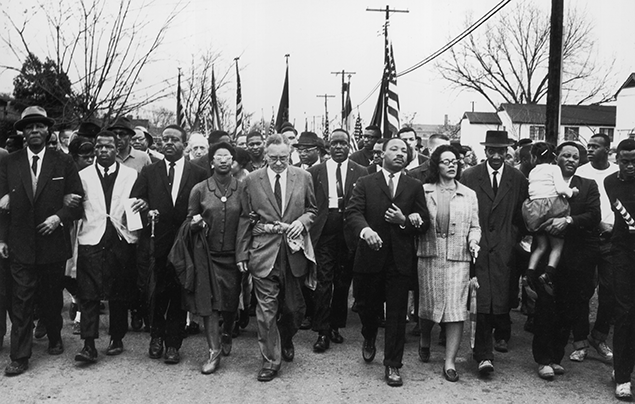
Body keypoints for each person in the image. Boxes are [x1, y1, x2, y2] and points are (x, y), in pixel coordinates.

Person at [0, 106, 83, 375]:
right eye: (29, 127)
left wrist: (58, 217)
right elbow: (2, 205)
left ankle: (55, 336)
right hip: (20, 242)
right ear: (23, 132)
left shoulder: (63, 161)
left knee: (50, 298)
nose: (35, 131)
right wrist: (2, 239)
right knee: (21, 300)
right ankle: (20, 356)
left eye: (40, 127)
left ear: (48, 131)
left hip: (52, 243)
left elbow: (77, 202)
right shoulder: (10, 162)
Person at [346, 137, 429, 387]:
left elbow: (423, 222)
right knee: (368, 308)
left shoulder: (414, 186)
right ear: (382, 154)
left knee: (396, 315)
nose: (400, 154)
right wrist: (366, 231)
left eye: (404, 150)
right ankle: (369, 335)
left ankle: (393, 364)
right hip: (370, 258)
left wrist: (405, 219)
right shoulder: (365, 182)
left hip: (399, 261)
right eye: (394, 149)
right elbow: (353, 212)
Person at [236, 133, 317, 382]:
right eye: (273, 158)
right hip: (264, 252)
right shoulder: (251, 180)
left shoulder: (303, 177)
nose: (279, 162)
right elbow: (245, 217)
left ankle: (285, 338)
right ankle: (271, 360)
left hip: (293, 252)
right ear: (265, 156)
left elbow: (312, 210)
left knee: (294, 309)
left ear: (290, 153)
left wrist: (301, 223)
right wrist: (242, 252)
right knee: (266, 310)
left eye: (283, 157)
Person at [130, 124, 207, 365]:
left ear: (184, 145)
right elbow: (136, 200)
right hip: (157, 242)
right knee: (156, 291)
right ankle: (156, 337)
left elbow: (206, 206)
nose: (169, 143)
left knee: (179, 292)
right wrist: (144, 207)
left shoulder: (198, 173)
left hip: (185, 242)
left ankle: (173, 343)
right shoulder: (150, 172)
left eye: (174, 140)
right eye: (165, 140)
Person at [528, 141, 600, 380]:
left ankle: (556, 357)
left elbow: (593, 216)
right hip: (546, 259)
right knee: (545, 309)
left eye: (575, 157)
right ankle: (543, 360)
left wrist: (568, 221)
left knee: (567, 311)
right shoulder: (542, 181)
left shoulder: (587, 186)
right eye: (566, 155)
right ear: (555, 158)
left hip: (575, 259)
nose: (570, 160)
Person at [460, 130, 528, 375]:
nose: (497, 155)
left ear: (508, 151)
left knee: (501, 299)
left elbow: (523, 215)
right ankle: (483, 355)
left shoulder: (517, 178)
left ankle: (498, 340)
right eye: (492, 150)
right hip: (477, 245)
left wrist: (511, 239)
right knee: (480, 300)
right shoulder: (469, 176)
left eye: (501, 150)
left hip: (504, 248)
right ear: (485, 151)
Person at [412, 144, 480, 382]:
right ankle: (424, 337)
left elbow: (475, 226)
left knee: (455, 310)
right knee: (428, 305)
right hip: (430, 255)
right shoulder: (423, 191)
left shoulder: (469, 194)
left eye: (455, 161)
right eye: (446, 161)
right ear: (436, 165)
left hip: (458, 258)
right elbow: (416, 221)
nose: (452, 165)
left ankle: (449, 361)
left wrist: (473, 241)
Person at [74, 130, 140, 363]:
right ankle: (89, 344)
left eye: (109, 147)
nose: (103, 151)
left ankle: (116, 337)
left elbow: (137, 202)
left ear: (117, 149)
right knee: (88, 292)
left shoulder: (131, 175)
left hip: (120, 237)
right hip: (91, 237)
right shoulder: (83, 176)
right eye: (99, 147)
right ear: (95, 149)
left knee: (119, 291)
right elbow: (76, 206)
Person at [183, 142, 242, 374]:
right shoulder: (200, 189)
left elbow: (248, 219)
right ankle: (213, 351)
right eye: (219, 157)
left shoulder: (242, 187)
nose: (224, 160)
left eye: (228, 157)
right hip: (207, 255)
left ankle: (227, 331)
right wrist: (196, 224)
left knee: (230, 301)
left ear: (233, 162)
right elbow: (189, 220)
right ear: (211, 162)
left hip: (234, 255)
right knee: (210, 304)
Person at [307, 129, 368, 353]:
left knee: (343, 282)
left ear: (349, 146)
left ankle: (335, 325)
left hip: (349, 231)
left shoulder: (361, 171)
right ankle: (321, 330)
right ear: (328, 147)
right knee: (324, 280)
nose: (339, 147)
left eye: (343, 143)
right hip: (325, 230)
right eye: (334, 143)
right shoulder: (316, 172)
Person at [574, 133, 618, 362]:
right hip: (587, 237)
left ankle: (599, 336)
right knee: (583, 290)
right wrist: (597, 223)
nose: (589, 149)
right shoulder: (581, 172)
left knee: (610, 291)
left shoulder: (619, 172)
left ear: (607, 150)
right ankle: (580, 340)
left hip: (614, 239)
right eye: (588, 146)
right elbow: (577, 206)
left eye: (595, 146)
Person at [522, 142, 578, 296]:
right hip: (552, 208)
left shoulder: (533, 172)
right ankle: (548, 274)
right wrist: (572, 192)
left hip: (534, 211)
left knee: (541, 247)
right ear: (553, 156)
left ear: (534, 157)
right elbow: (560, 188)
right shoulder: (554, 169)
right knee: (557, 247)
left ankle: (529, 274)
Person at [604, 139, 635, 399]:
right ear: (617, 159)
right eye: (625, 161)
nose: (630, 166)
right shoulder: (610, 182)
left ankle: (625, 366)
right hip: (623, 253)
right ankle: (623, 375)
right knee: (625, 311)